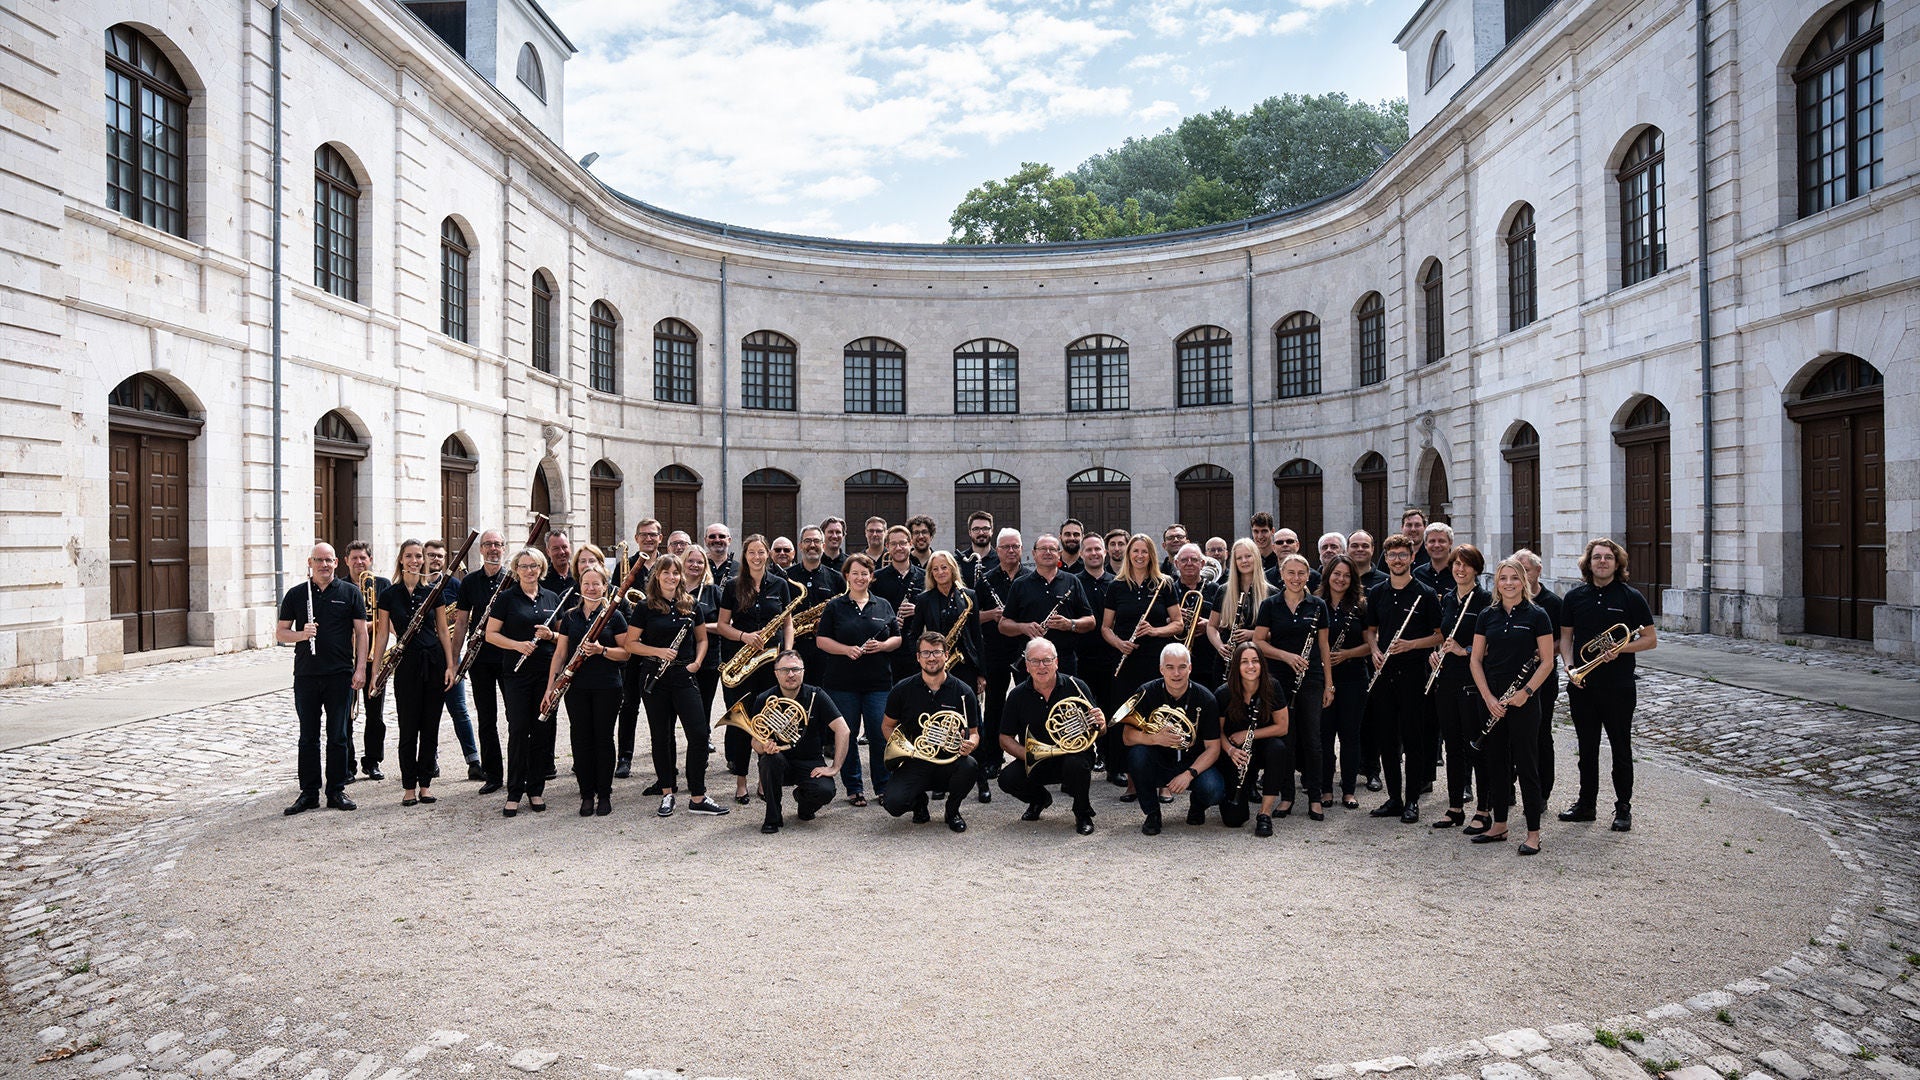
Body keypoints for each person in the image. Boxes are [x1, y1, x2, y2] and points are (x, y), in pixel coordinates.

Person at [1558, 538, 1656, 832]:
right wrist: (1568, 665)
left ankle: (1623, 808)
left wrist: (1621, 649)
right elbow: (1566, 638)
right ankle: (1586, 804)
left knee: (1620, 749)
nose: (1602, 562)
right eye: (1597, 557)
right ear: (1588, 563)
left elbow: (1650, 640)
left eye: (1608, 558)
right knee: (1586, 749)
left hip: (1619, 686)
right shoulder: (1574, 597)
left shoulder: (1631, 597)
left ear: (1617, 563)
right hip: (1583, 685)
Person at [1469, 556, 1557, 854]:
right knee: (1496, 763)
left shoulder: (1537, 615)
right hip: (1492, 700)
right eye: (1503, 578)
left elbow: (1546, 661)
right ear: (1497, 582)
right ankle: (1500, 825)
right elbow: (1475, 660)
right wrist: (1488, 698)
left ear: (1524, 581)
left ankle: (1533, 832)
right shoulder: (1486, 615)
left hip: (1523, 701)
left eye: (1515, 578)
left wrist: (1527, 692)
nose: (1508, 583)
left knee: (1527, 764)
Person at [277, 543, 367, 813]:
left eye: (328, 560)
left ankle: (336, 790)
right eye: (319, 560)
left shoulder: (350, 592)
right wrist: (301, 635)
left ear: (336, 562)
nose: (324, 565)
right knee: (308, 736)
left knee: (338, 735)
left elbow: (362, 634)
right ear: (310, 562)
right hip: (306, 675)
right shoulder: (296, 594)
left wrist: (360, 668)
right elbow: (281, 633)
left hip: (340, 674)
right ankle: (309, 792)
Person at [632, 553, 724, 817]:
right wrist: (658, 651)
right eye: (666, 573)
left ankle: (698, 795)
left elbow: (703, 640)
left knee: (698, 734)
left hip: (684, 675)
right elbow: (631, 644)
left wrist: (696, 663)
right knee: (662, 736)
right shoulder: (645, 607)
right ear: (657, 576)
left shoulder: (691, 605)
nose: (671, 577)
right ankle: (667, 793)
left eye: (675, 573)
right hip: (654, 677)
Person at [1364, 534, 1442, 822]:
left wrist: (1411, 644)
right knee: (1387, 739)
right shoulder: (1377, 593)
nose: (1397, 559)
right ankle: (1394, 798)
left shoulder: (1426, 593)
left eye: (1403, 555)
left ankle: (1412, 801)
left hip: (1414, 673)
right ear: (1385, 558)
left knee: (1413, 739)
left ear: (1411, 557)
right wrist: (1373, 650)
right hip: (1384, 674)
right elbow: (1371, 630)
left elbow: (1439, 635)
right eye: (1392, 555)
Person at [373, 539, 456, 807]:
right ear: (401, 559)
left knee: (430, 727)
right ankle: (408, 786)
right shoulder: (388, 594)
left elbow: (443, 631)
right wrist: (376, 671)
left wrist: (450, 665)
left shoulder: (435, 592)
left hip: (434, 663)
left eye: (418, 556)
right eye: (409, 556)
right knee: (408, 728)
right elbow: (383, 634)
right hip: (406, 665)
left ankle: (425, 785)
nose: (414, 560)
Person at [816, 553, 902, 806]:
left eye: (865, 573)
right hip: (842, 683)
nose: (860, 577)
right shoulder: (835, 606)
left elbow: (897, 639)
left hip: (878, 684)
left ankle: (883, 785)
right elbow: (821, 640)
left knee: (879, 733)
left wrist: (884, 645)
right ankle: (854, 787)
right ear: (847, 576)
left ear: (872, 577)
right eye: (855, 573)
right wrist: (846, 649)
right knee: (848, 734)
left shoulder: (883, 605)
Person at [716, 535, 798, 803]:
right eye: (752, 552)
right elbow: (722, 626)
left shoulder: (781, 585)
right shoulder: (732, 586)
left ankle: (764, 779)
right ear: (745, 555)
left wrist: (786, 652)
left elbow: (787, 624)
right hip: (742, 662)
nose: (757, 556)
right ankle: (741, 782)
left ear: (768, 554)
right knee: (743, 726)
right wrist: (744, 636)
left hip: (771, 663)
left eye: (761, 552)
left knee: (769, 723)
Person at [544, 564, 629, 817]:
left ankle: (604, 793)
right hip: (577, 687)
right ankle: (586, 794)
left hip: (607, 686)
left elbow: (626, 653)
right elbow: (560, 653)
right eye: (586, 584)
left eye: (596, 584)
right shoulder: (570, 617)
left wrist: (602, 650)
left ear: (605, 586)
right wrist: (550, 687)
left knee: (603, 739)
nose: (591, 588)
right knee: (580, 740)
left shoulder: (615, 616)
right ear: (580, 587)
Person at [483, 548, 561, 816]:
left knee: (542, 729)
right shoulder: (506, 599)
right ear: (516, 569)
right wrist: (517, 645)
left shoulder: (551, 597)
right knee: (518, 729)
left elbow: (564, 637)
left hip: (546, 673)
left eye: (534, 566)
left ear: (541, 568)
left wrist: (551, 635)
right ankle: (514, 791)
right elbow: (490, 635)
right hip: (516, 674)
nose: (529, 570)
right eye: (524, 566)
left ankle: (536, 790)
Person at [997, 638, 1104, 833]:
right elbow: (1005, 738)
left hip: (1073, 755)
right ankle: (1039, 800)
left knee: (1077, 764)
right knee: (1007, 778)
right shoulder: (1017, 695)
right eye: (1035, 661)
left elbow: (1099, 729)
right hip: (1038, 758)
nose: (1041, 666)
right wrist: (1029, 755)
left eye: (1047, 660)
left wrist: (1101, 724)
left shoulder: (1076, 686)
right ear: (1027, 666)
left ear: (1056, 662)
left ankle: (1082, 812)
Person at [880, 632, 983, 832]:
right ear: (918, 657)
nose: (931, 658)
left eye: (936, 652)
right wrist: (903, 748)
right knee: (893, 804)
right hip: (915, 760)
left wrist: (971, 743)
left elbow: (974, 732)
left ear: (946, 655)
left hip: (950, 761)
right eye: (926, 653)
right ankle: (919, 803)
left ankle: (952, 811)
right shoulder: (902, 689)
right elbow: (887, 726)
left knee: (970, 766)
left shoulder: (963, 692)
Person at [1251, 552, 1327, 820]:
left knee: (1313, 739)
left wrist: (1329, 684)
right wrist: (1286, 656)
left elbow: (1323, 646)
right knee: (1285, 739)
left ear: (1308, 576)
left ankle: (1315, 797)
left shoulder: (1318, 605)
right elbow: (1259, 642)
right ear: (1282, 575)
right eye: (1291, 573)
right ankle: (1287, 796)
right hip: (1279, 679)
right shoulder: (1270, 605)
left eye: (1301, 573)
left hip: (1312, 678)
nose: (1296, 578)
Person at [1119, 644, 1223, 834]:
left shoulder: (1205, 699)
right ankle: (1152, 813)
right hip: (1159, 762)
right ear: (1161, 669)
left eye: (1182, 667)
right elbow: (1127, 737)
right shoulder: (1146, 693)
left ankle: (1197, 807)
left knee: (1213, 788)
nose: (1176, 673)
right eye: (1170, 667)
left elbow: (1213, 748)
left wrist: (1189, 774)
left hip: (1192, 763)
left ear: (1190, 668)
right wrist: (1155, 738)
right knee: (1137, 755)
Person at [749, 651, 850, 833]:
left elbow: (843, 730)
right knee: (769, 760)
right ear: (776, 673)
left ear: (803, 671)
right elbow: (754, 742)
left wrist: (835, 767)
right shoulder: (764, 699)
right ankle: (773, 816)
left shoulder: (816, 696)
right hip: (779, 761)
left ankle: (804, 803)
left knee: (826, 791)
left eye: (796, 669)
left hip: (810, 762)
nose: (791, 674)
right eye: (785, 670)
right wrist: (764, 747)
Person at [1428, 544, 1489, 830]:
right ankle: (1454, 807)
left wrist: (1464, 650)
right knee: (1452, 745)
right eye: (1456, 564)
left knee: (1476, 746)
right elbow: (1443, 637)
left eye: (1466, 564)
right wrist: (1437, 652)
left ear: (1476, 569)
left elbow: (1495, 646)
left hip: (1473, 682)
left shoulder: (1487, 601)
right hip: (1447, 679)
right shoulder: (1449, 599)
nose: (1460, 569)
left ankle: (1484, 809)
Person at [454, 529, 510, 792]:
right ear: (480, 549)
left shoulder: (513, 579)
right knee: (487, 718)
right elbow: (462, 622)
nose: (493, 549)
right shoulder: (470, 582)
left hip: (509, 656)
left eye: (498, 544)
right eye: (488, 544)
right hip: (480, 658)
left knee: (516, 716)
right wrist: (455, 660)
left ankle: (521, 770)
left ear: (504, 547)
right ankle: (493, 775)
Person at [1217, 642, 1292, 835]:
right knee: (1234, 819)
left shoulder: (1272, 686)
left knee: (1278, 748)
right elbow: (1217, 733)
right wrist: (1231, 751)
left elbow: (1282, 727)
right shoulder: (1224, 692)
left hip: (1263, 749)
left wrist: (1248, 734)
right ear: (1236, 666)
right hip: (1236, 754)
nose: (1250, 666)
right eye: (1244, 662)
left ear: (1262, 664)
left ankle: (1264, 814)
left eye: (1255, 661)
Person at [972, 528, 1024, 799]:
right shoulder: (985, 580)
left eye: (1016, 546)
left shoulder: (1031, 577)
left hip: (1025, 650)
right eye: (1006, 547)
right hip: (995, 649)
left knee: (1029, 703)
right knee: (994, 705)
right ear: (998, 550)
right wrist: (992, 614)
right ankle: (993, 758)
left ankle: (1030, 755)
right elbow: (972, 617)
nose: (1011, 551)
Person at [1000, 533, 1094, 679]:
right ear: (1034, 553)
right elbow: (1003, 625)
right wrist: (1023, 627)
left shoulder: (1072, 581)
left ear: (1059, 554)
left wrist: (1070, 624)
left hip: (1064, 661)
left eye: (1052, 549)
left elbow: (1091, 621)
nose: (1048, 552)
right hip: (1030, 662)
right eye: (1043, 548)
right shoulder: (1020, 584)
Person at [1102, 534, 1180, 708]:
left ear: (1151, 554)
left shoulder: (1164, 583)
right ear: (1129, 554)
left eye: (1144, 551)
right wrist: (1119, 644)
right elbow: (1106, 628)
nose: (1140, 555)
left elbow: (1178, 624)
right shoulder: (1116, 586)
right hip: (1125, 659)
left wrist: (1155, 631)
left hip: (1155, 659)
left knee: (1154, 707)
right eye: (1135, 551)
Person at [424, 539, 480, 781]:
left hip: (450, 655)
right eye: (431, 555)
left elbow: (464, 620)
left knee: (459, 709)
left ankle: (473, 761)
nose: (435, 559)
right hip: (425, 657)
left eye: (439, 556)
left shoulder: (456, 585)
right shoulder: (414, 585)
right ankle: (429, 761)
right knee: (428, 711)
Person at [1317, 555, 1369, 808]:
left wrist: (1347, 654)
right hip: (1323, 680)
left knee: (1351, 736)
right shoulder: (1316, 604)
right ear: (1328, 575)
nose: (1341, 579)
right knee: (1324, 736)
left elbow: (1371, 645)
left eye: (1347, 575)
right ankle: (1326, 789)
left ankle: (1348, 790)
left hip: (1354, 679)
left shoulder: (1361, 606)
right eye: (1336, 574)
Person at [1512, 548, 1562, 805]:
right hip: (1510, 676)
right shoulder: (1505, 602)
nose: (1521, 576)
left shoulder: (1552, 603)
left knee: (1541, 732)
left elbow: (1563, 641)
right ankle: (1507, 788)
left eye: (1526, 570)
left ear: (1538, 571)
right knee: (1508, 730)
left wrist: (1541, 652)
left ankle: (1542, 792)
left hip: (1542, 678)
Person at [343, 539, 390, 781]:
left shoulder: (382, 585)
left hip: (375, 657)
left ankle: (372, 762)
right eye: (355, 558)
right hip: (346, 658)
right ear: (346, 561)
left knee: (375, 715)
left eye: (364, 558)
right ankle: (347, 764)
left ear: (370, 560)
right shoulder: (339, 586)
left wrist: (364, 626)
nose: (359, 562)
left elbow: (389, 620)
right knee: (346, 714)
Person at [906, 550, 981, 698]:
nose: (940, 572)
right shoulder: (924, 599)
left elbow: (977, 636)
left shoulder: (968, 596)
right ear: (931, 573)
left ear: (952, 568)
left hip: (965, 665)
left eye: (944, 567)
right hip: (935, 664)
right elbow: (913, 635)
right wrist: (922, 660)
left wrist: (981, 673)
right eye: (935, 569)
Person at [872, 525, 926, 685]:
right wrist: (890, 621)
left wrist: (918, 610)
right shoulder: (877, 578)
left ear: (910, 543)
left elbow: (934, 609)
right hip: (888, 650)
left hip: (916, 649)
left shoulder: (924, 576)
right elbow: (871, 611)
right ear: (887, 546)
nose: (899, 548)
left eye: (903, 543)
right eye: (894, 544)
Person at [1072, 533, 1117, 723]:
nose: (1094, 553)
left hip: (1112, 660)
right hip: (1082, 661)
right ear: (1081, 554)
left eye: (1097, 549)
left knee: (1111, 713)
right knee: (1083, 715)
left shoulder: (1118, 583)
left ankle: (1110, 753)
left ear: (1105, 552)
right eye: (1088, 550)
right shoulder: (1072, 582)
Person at [1167, 543, 1222, 688]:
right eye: (1184, 560)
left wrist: (1210, 626)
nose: (1189, 563)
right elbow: (1159, 619)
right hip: (1176, 663)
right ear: (1177, 563)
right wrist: (1171, 620)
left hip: (1208, 660)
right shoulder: (1169, 589)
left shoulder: (1216, 589)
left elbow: (1227, 621)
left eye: (1194, 559)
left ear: (1202, 563)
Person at [955, 511, 995, 585]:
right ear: (970, 532)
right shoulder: (957, 561)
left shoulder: (1001, 560)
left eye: (985, 528)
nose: (981, 533)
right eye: (976, 529)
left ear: (992, 531)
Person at [1413, 523, 1454, 591]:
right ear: (1425, 545)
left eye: (1441, 541)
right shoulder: (1418, 574)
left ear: (1450, 543)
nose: (1436, 545)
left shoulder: (1460, 573)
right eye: (1432, 541)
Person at [541, 530, 575, 598]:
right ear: (548, 552)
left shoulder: (579, 575)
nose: (562, 552)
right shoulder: (542, 579)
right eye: (556, 548)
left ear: (570, 548)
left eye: (564, 547)